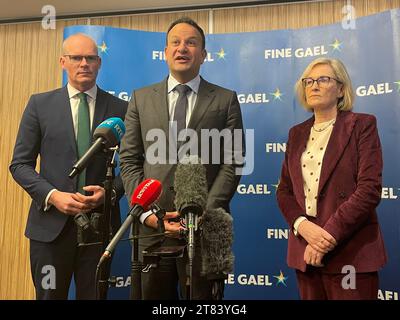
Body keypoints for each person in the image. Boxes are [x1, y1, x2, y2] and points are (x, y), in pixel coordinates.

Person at [119, 17, 244, 300]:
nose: (182, 48)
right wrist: (148, 214)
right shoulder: (141, 99)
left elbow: (233, 161)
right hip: (152, 229)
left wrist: (203, 213)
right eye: (175, 42)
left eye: (191, 42)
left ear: (203, 54)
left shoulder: (225, 99)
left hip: (207, 228)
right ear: (165, 52)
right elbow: (129, 160)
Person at [9, 33, 127, 299]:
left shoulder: (122, 108)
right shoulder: (39, 105)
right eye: (76, 57)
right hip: (50, 229)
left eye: (90, 58)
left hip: (99, 230)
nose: (84, 63)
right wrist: (53, 196)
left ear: (99, 63)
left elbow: (134, 167)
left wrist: (109, 192)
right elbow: (20, 165)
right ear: (63, 62)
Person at [276, 57, 387, 300]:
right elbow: (284, 191)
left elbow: (369, 189)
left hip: (350, 251)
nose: (314, 86)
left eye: (323, 79)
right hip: (305, 254)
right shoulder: (296, 134)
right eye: (309, 81)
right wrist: (303, 227)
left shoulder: (362, 125)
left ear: (341, 89)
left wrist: (325, 238)